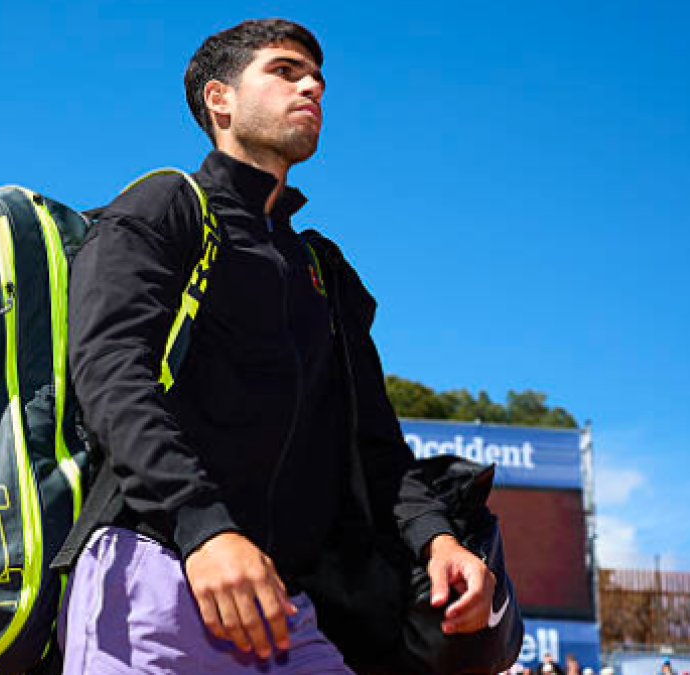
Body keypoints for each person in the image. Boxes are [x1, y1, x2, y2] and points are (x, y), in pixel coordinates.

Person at [62, 18, 494, 674]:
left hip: (287, 611)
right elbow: (110, 374)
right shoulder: (165, 206)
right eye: (285, 70)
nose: (313, 85)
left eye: (317, 75)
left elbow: (377, 447)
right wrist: (202, 526)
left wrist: (438, 538)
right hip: (155, 578)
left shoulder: (322, 268)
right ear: (220, 100)